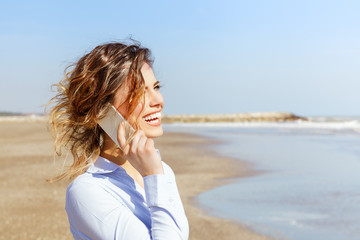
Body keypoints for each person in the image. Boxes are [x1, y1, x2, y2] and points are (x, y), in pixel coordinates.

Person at [48, 42, 189, 240]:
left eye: (156, 87)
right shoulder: (87, 192)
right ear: (103, 111)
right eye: (138, 92)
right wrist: (154, 176)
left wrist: (155, 174)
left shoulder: (162, 170)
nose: (158, 100)